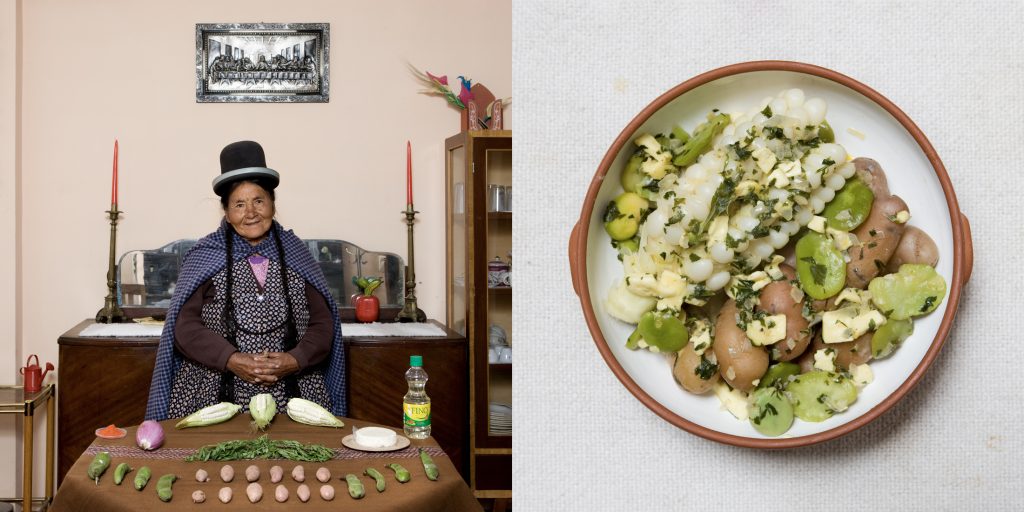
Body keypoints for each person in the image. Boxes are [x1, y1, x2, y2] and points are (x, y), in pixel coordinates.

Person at [145, 141, 345, 421]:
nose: (250, 212)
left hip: (295, 393)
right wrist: (230, 359)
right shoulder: (205, 254)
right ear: (226, 211)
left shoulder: (296, 252)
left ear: (273, 205)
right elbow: (185, 327)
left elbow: (323, 324)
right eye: (239, 204)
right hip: (212, 394)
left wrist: (295, 359)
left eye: (259, 201)